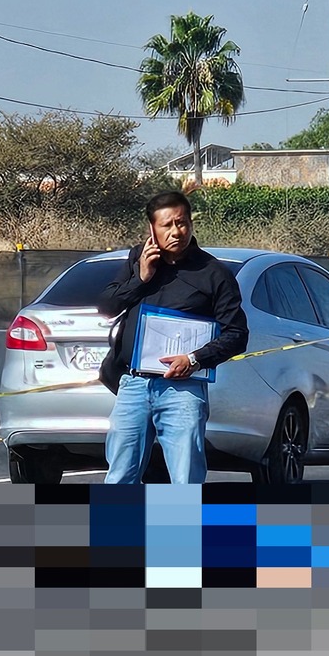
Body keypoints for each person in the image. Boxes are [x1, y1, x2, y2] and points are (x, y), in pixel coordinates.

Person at [96, 191, 246, 483]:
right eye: (167, 225)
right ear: (152, 229)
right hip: (133, 384)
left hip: (183, 388)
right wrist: (141, 277)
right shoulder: (137, 261)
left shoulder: (215, 273)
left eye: (182, 223)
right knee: (119, 476)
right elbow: (106, 307)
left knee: (185, 477)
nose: (177, 231)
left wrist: (194, 359)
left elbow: (237, 334)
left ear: (191, 223)